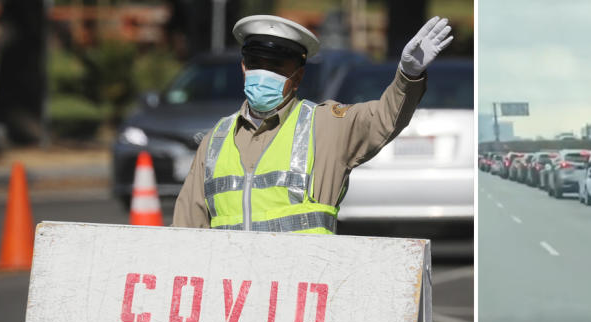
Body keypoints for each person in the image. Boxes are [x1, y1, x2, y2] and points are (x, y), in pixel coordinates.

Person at [172, 14, 453, 232]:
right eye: (256, 63)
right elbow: (185, 230)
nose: (263, 73)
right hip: (232, 298)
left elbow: (384, 117)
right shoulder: (215, 140)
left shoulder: (326, 126)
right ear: (243, 67)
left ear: (298, 75)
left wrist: (408, 75)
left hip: (304, 298)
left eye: (276, 67)